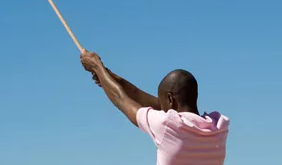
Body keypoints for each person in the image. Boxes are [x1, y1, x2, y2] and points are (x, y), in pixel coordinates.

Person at [80, 50, 230, 164]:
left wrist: (96, 65)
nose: (161, 109)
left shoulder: (168, 125)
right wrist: (110, 78)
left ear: (171, 99)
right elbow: (149, 101)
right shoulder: (218, 128)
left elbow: (122, 100)